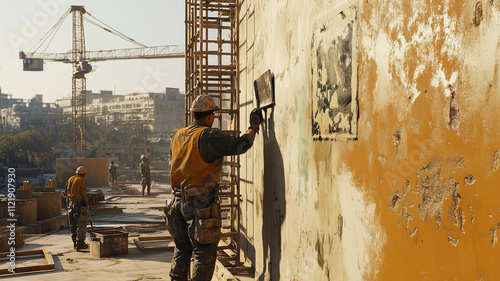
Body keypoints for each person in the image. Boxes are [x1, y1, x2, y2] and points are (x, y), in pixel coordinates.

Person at [165, 94, 262, 281]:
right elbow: (240, 145)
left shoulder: (178, 135)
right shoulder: (209, 136)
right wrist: (253, 127)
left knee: (182, 250)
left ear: (193, 114)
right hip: (199, 204)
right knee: (204, 253)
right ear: (211, 116)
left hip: (176, 203)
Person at [65, 166, 89, 251]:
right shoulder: (81, 180)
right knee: (81, 224)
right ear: (84, 174)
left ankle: (75, 243)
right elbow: (84, 193)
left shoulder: (71, 179)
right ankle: (80, 244)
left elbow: (66, 192)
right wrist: (87, 203)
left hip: (71, 204)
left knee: (73, 225)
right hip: (79, 205)